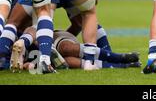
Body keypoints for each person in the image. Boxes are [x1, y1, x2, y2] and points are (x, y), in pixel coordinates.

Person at [11, 27, 140, 71]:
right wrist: (25, 66)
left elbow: (32, 28)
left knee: (66, 48)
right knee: (66, 61)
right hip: (39, 60)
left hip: (49, 38)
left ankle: (118, 57)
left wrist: (24, 40)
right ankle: (122, 65)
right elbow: (10, 65)